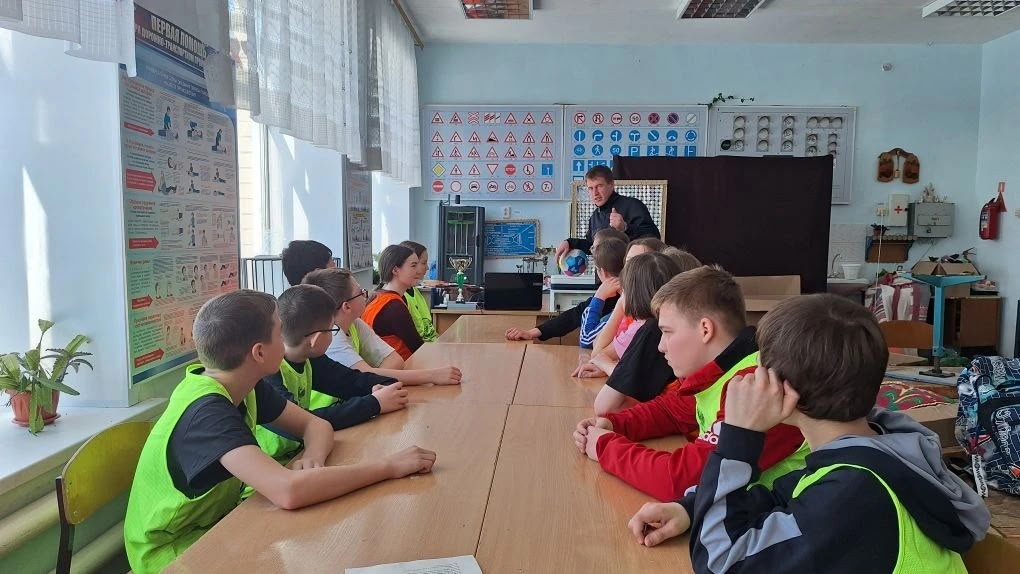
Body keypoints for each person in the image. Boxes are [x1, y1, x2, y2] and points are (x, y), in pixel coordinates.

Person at [627, 294, 991, 574]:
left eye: (760, 367)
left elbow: (719, 561)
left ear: (784, 389)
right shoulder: (868, 451)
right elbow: (778, 500)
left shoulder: (856, 491)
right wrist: (688, 509)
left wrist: (738, 438)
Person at [124, 290, 436, 574]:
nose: (286, 337)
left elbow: (315, 425)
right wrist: (388, 466)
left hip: (221, 522)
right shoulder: (208, 413)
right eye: (279, 331)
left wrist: (313, 458)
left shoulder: (244, 384)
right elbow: (288, 491)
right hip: (175, 552)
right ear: (259, 352)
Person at [572, 266, 809, 502]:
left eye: (667, 332)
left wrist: (604, 446)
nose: (660, 346)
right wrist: (614, 424)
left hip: (773, 518)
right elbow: (671, 411)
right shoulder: (721, 372)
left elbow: (681, 481)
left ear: (705, 329)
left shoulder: (760, 387)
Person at [255, 285, 408, 462]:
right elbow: (304, 423)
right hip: (270, 463)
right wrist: (374, 403)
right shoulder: (267, 375)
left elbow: (352, 381)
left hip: (302, 452)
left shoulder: (310, 359)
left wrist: (381, 387)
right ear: (316, 339)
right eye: (333, 329)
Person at [303, 267, 462, 386]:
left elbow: (395, 361)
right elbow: (364, 375)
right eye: (361, 292)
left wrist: (377, 379)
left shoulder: (355, 323)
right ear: (347, 307)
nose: (367, 295)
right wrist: (431, 376)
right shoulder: (331, 336)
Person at [505, 227, 629, 343]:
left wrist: (599, 297)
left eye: (594, 248)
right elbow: (576, 314)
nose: (591, 252)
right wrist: (532, 333)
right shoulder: (617, 291)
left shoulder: (623, 299)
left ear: (602, 271)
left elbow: (587, 337)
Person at [554, 165, 660, 261]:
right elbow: (591, 246)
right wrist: (570, 243)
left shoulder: (632, 205)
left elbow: (654, 237)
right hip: (603, 274)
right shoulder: (595, 217)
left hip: (629, 273)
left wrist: (625, 227)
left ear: (611, 184)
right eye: (590, 188)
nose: (595, 193)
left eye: (599, 186)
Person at [363, 244, 424, 360]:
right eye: (413, 266)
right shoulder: (394, 307)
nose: (419, 271)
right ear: (395, 270)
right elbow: (418, 348)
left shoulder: (378, 294)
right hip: (402, 367)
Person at [578, 238, 628, 349]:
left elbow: (586, 339)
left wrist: (598, 297)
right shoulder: (633, 296)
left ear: (603, 272)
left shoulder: (627, 302)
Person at [398, 241, 439, 342]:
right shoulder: (400, 298)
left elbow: (429, 330)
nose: (428, 268)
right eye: (424, 263)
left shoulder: (415, 291)